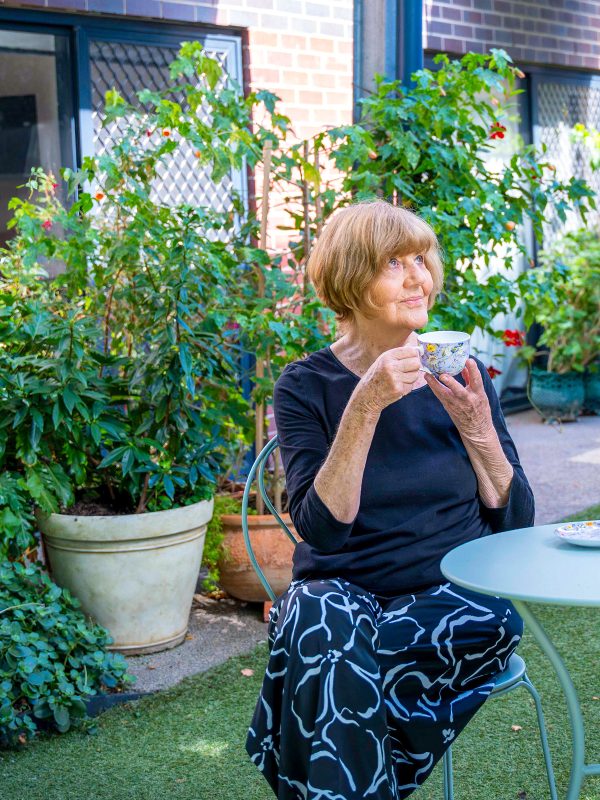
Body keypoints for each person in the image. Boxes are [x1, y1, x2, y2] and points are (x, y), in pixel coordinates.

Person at [246, 200, 534, 800]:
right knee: (320, 621)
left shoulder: (462, 372)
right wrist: (365, 405)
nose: (418, 277)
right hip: (343, 591)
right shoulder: (305, 386)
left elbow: (516, 522)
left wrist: (479, 428)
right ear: (351, 277)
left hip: (451, 599)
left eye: (422, 260)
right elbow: (322, 532)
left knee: (328, 663)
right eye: (394, 263)